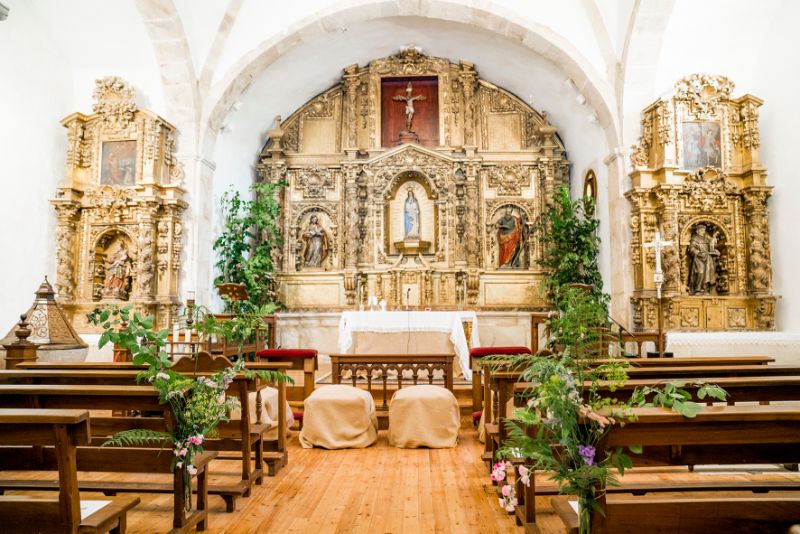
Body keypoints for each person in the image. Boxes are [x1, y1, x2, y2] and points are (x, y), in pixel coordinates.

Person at [687, 224, 720, 294]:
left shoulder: (706, 239)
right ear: (697, 231)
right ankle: (697, 289)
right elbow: (691, 249)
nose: (703, 232)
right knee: (700, 272)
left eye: (704, 230)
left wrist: (714, 239)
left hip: (707, 258)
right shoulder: (694, 239)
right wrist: (698, 253)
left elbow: (712, 246)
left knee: (707, 273)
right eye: (701, 230)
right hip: (698, 259)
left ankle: (705, 289)